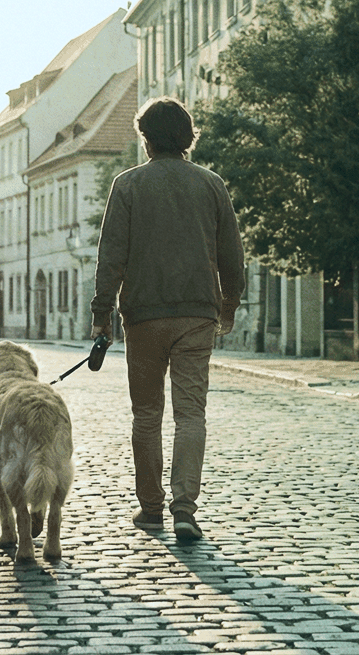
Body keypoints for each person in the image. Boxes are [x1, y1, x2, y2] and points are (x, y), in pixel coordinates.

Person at [90, 96, 244, 541]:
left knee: (147, 413)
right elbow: (232, 255)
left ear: (146, 139)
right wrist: (229, 305)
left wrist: (102, 315)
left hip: (143, 316)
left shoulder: (128, 185)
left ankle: (151, 508)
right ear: (188, 137)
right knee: (191, 414)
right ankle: (185, 510)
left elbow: (110, 256)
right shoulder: (211, 184)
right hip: (197, 313)